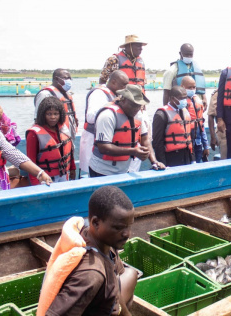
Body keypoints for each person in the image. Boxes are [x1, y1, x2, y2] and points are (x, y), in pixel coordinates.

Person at [44, 186, 138, 316]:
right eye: (118, 228)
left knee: (131, 274)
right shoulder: (91, 274)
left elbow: (115, 282)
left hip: (100, 300)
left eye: (129, 225)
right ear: (96, 223)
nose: (127, 233)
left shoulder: (102, 239)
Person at [90, 85, 164, 177]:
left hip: (124, 170)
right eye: (133, 105)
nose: (136, 109)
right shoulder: (108, 116)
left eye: (139, 105)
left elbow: (145, 140)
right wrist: (133, 151)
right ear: (123, 100)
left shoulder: (138, 115)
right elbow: (103, 147)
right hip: (102, 171)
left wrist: (154, 161)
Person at [80, 71, 130, 174]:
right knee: (89, 172)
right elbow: (91, 117)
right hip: (92, 140)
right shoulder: (98, 93)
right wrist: (111, 104)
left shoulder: (115, 94)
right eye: (123, 85)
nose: (126, 88)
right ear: (114, 82)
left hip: (106, 139)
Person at [27, 97, 76, 184]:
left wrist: (72, 168)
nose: (53, 117)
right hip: (45, 178)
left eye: (56, 114)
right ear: (43, 115)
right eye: (49, 114)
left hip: (64, 175)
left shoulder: (62, 129)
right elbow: (31, 162)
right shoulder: (34, 134)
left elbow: (70, 152)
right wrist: (35, 184)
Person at [153, 86, 194, 167]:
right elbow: (158, 142)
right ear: (173, 98)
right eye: (181, 98)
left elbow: (189, 136)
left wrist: (193, 158)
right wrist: (162, 163)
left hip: (187, 155)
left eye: (185, 98)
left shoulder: (185, 111)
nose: (184, 101)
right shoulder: (161, 115)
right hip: (171, 157)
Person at [35, 68, 78, 141]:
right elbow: (39, 119)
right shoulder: (45, 94)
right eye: (65, 78)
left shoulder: (67, 95)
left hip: (68, 136)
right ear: (56, 79)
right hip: (54, 138)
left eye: (70, 78)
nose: (68, 80)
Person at [181, 76, 210, 163]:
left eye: (194, 87)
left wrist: (206, 146)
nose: (192, 89)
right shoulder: (180, 103)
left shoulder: (198, 100)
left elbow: (201, 126)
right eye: (189, 87)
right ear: (183, 87)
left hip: (198, 143)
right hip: (186, 144)